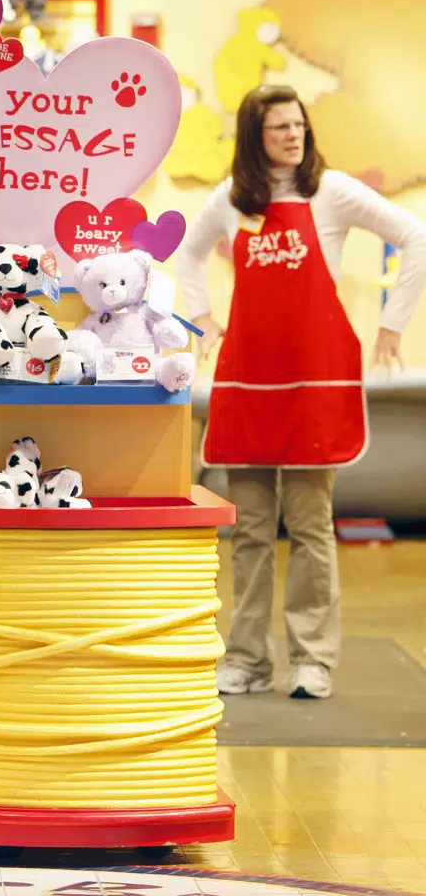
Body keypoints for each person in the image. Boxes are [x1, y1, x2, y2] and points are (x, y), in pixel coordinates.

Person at [178, 84, 426, 701]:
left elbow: (415, 236)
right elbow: (186, 254)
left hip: (315, 383)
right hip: (249, 380)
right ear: (252, 138)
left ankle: (314, 660)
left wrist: (394, 323)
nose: (294, 136)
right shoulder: (231, 202)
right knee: (253, 531)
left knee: (312, 526)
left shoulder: (332, 191)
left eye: (299, 125)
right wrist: (203, 319)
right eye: (279, 128)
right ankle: (246, 660)